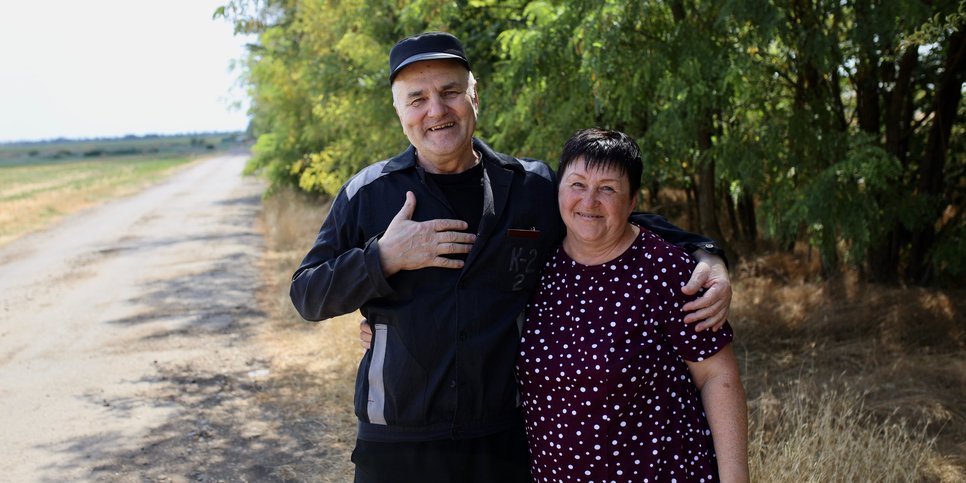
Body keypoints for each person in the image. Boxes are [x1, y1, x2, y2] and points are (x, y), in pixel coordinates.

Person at [290, 32, 733, 483]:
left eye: (450, 92)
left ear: (474, 97)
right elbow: (307, 294)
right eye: (417, 98)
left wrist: (708, 254)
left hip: (503, 441)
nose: (436, 111)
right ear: (399, 111)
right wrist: (383, 257)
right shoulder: (367, 194)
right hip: (397, 445)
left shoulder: (532, 188)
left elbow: (607, 215)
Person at [517, 128, 748, 482]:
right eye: (577, 184)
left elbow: (718, 377)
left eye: (607, 188)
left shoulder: (668, 271)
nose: (589, 201)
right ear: (558, 189)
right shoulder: (537, 264)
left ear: (632, 200)